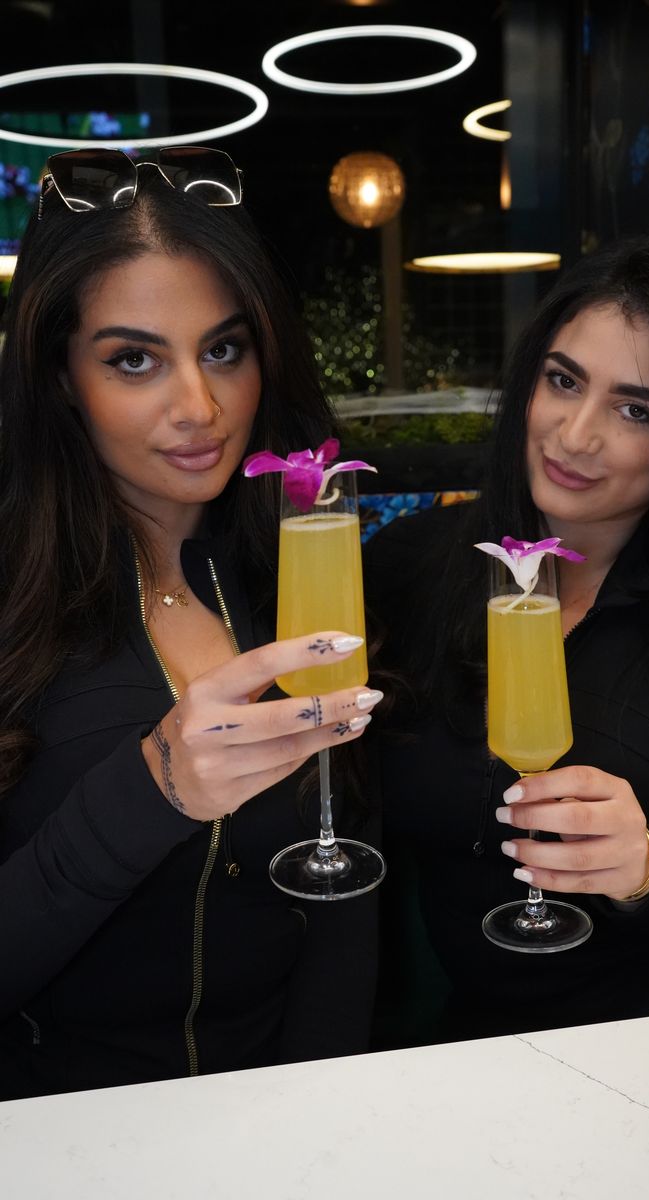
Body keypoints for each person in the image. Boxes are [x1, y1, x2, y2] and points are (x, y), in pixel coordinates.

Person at [0, 147, 382, 1099]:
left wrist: (312, 1122)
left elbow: (346, 913)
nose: (200, 408)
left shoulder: (297, 571)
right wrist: (152, 787)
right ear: (57, 379)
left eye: (224, 349)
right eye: (134, 359)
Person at [365, 226, 649, 1048]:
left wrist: (645, 868)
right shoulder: (408, 569)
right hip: (497, 1036)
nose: (574, 436)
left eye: (636, 409)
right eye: (564, 381)